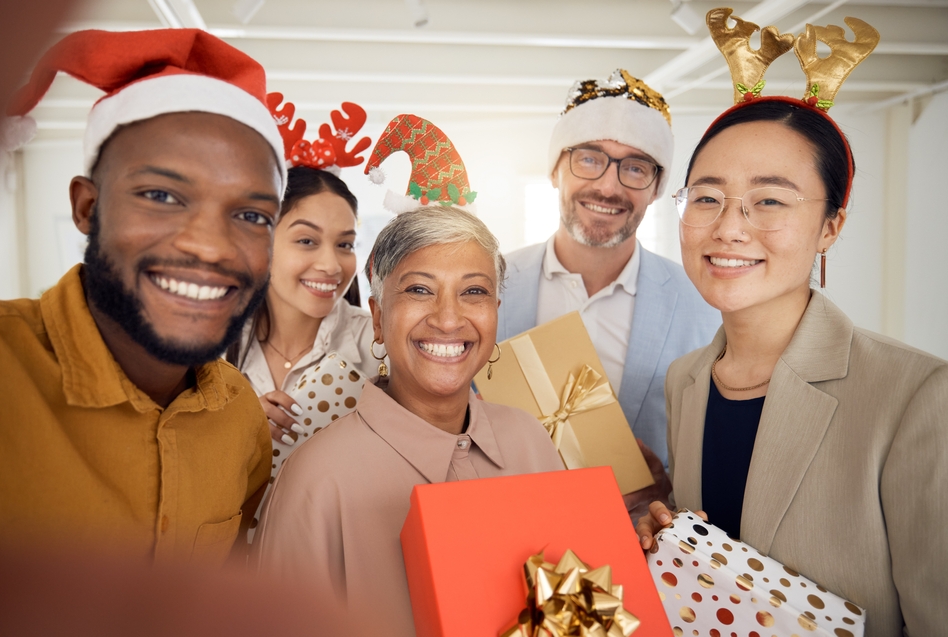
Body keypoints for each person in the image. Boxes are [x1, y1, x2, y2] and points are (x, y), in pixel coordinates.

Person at [638, 13, 947, 635]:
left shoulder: (915, 394)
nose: (728, 226)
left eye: (770, 200)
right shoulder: (687, 380)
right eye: (706, 196)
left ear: (830, 225)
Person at [0, 29, 288, 565]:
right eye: (161, 196)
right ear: (87, 207)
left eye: (251, 215)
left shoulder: (238, 415)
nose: (209, 246)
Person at [255, 205, 565, 636]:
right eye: (420, 290)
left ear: (495, 312)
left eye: (473, 292)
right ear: (378, 319)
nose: (448, 319)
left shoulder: (531, 439)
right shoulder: (316, 480)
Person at [497, 70, 720, 475]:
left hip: (639, 531)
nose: (608, 187)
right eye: (589, 159)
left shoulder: (703, 304)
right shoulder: (490, 283)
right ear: (555, 170)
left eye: (635, 168)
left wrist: (666, 486)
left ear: (656, 188)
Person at [225, 165, 379, 539]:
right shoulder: (210, 348)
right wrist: (230, 432)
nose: (330, 265)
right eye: (307, 241)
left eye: (344, 244)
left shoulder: (379, 346)